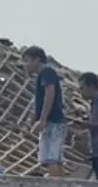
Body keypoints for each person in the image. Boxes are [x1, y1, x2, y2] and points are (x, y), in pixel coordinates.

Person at [21, 45, 65, 177]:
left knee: (51, 159)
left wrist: (43, 119)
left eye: (27, 60)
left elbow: (49, 93)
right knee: (52, 160)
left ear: (36, 60)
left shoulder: (46, 72)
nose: (25, 64)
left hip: (53, 121)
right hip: (52, 122)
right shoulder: (42, 75)